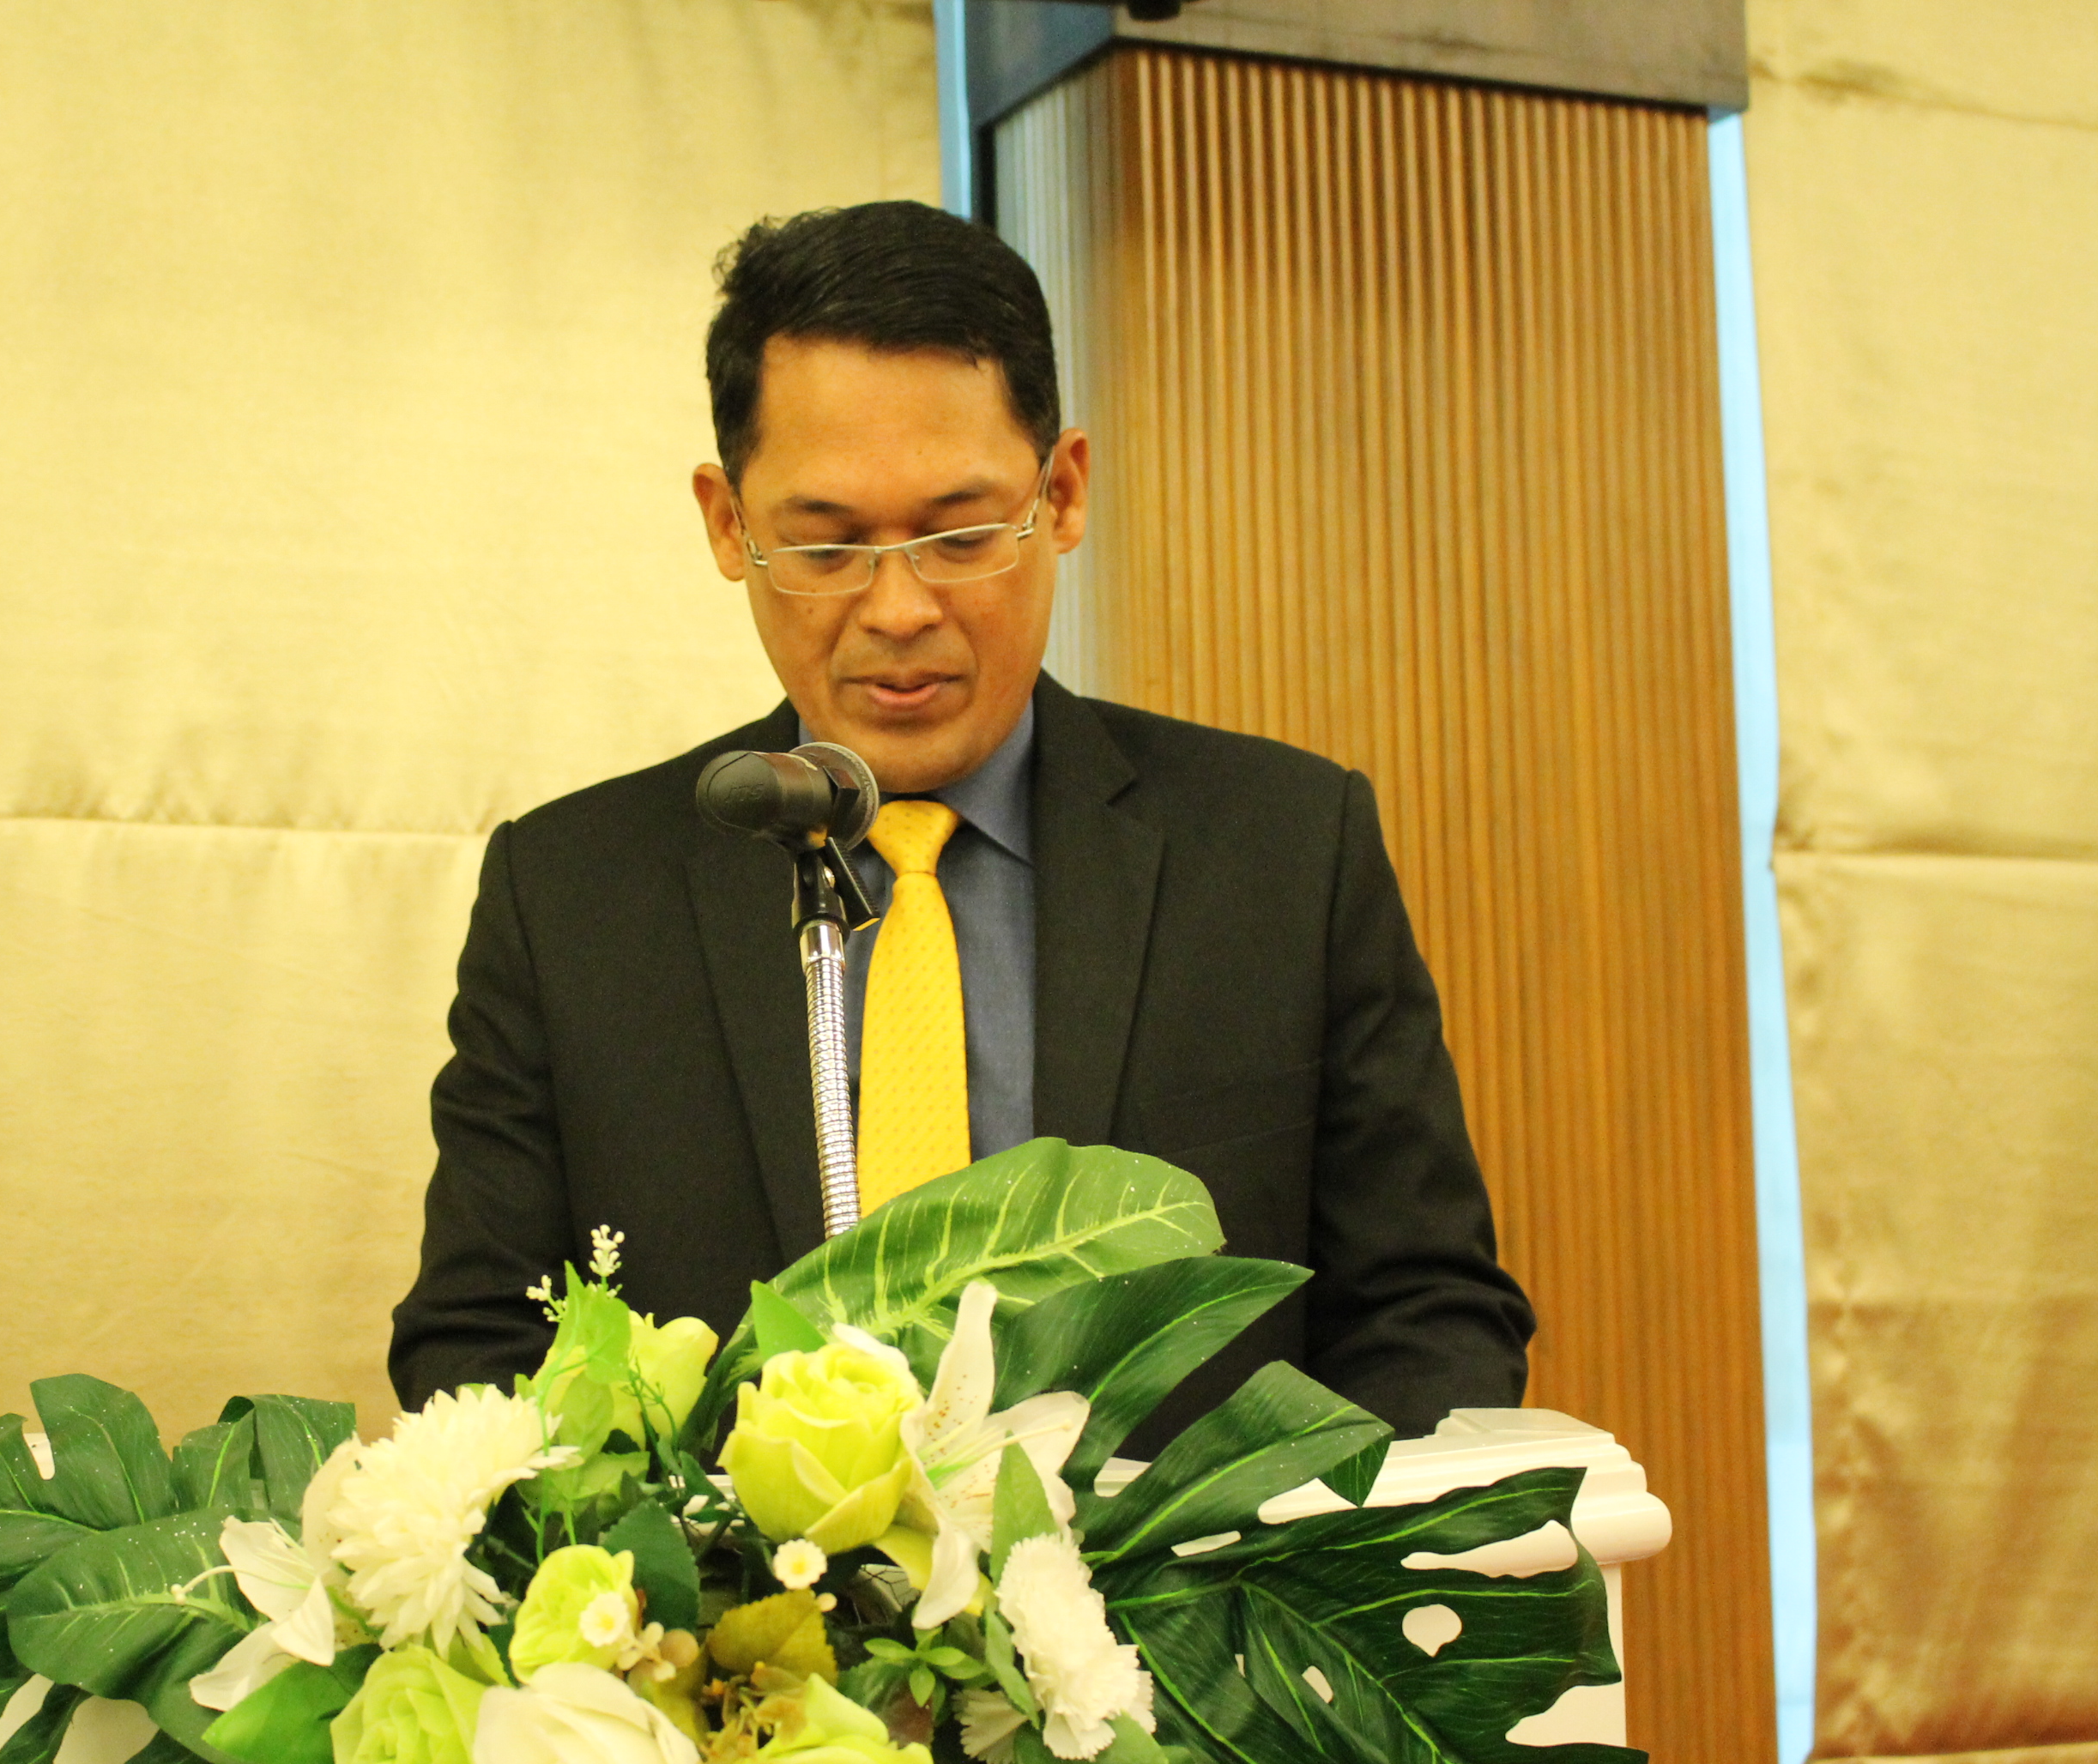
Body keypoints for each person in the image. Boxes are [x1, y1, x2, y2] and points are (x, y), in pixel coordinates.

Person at [390, 201, 1532, 1449]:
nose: (898, 610)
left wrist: (1256, 1544)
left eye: (963, 536)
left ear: (1063, 492)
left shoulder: (1282, 851)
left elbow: (1427, 1314)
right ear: (729, 525)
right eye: (826, 548)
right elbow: (477, 1341)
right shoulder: (571, 896)